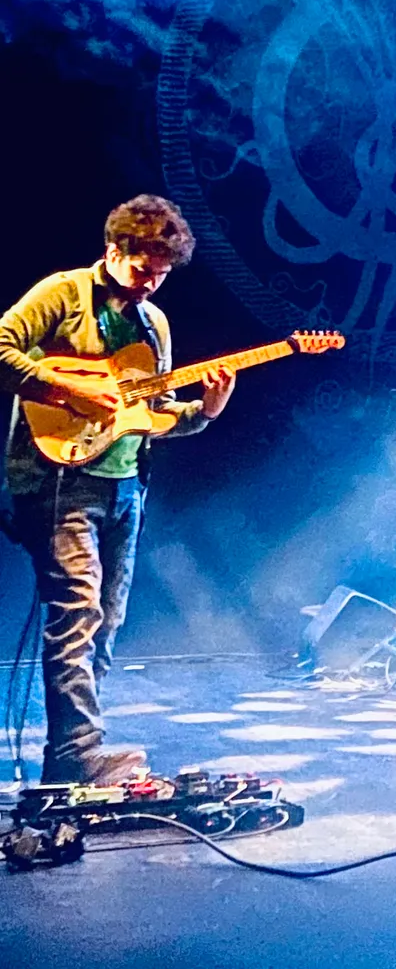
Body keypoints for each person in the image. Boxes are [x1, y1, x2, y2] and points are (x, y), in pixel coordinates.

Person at [0, 196, 235, 784]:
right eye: (142, 270)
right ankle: (75, 753)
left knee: (105, 620)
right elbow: (1, 347)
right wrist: (65, 391)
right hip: (59, 481)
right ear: (113, 250)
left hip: (124, 487)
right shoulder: (62, 293)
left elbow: (147, 415)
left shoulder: (155, 326)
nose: (150, 285)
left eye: (161, 276)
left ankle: (77, 749)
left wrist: (203, 412)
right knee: (76, 612)